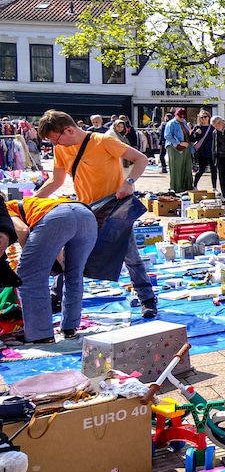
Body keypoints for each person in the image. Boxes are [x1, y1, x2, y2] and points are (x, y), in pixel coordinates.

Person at [35, 110, 159, 319]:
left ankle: (146, 298)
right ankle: (57, 298)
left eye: (56, 139)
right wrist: (32, 201)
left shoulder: (103, 141)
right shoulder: (61, 150)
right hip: (84, 210)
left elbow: (141, 159)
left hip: (114, 209)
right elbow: (56, 181)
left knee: (130, 255)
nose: (55, 145)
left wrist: (128, 182)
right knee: (71, 255)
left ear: (69, 130)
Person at [6, 196, 97, 343]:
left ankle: (40, 334)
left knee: (29, 276)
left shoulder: (5, 208)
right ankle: (70, 327)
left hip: (57, 218)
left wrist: (31, 257)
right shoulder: (33, 203)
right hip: (86, 215)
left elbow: (22, 230)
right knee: (74, 273)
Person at [163, 108, 193, 192]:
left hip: (186, 147)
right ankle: (176, 188)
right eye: (180, 116)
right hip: (174, 148)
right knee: (176, 168)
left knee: (187, 167)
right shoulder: (171, 123)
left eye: (184, 116)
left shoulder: (184, 122)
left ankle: (187, 187)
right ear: (176, 115)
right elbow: (167, 136)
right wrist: (178, 143)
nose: (182, 118)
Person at [191, 111, 217, 190]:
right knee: (201, 170)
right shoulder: (197, 127)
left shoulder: (213, 127)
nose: (203, 119)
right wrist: (197, 133)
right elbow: (192, 139)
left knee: (214, 170)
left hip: (212, 152)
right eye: (201, 117)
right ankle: (195, 185)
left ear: (209, 117)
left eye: (205, 117)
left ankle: (214, 187)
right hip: (202, 152)